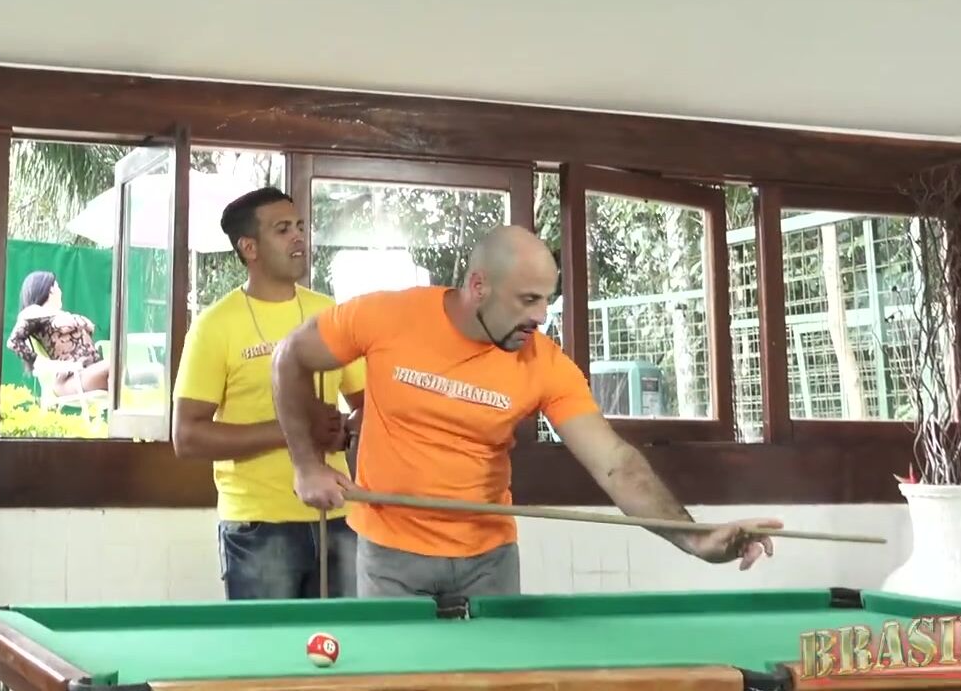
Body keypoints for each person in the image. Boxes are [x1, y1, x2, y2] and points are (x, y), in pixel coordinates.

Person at [271, 224, 779, 602]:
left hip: (487, 563)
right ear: (478, 286)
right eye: (528, 299)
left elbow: (615, 464)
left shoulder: (546, 364)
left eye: (547, 301)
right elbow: (289, 358)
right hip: (389, 557)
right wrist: (306, 464)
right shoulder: (386, 316)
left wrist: (695, 538)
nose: (540, 316)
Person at [172, 187, 364, 599]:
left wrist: (346, 432)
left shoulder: (330, 314)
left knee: (347, 637)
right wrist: (294, 431)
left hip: (339, 513)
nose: (299, 237)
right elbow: (187, 436)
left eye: (300, 226)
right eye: (282, 230)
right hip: (259, 526)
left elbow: (371, 406)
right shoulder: (214, 325)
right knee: (270, 641)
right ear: (249, 247)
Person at [7, 271, 111, 396]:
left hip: (90, 373)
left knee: (125, 367)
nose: (61, 292)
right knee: (116, 365)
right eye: (58, 287)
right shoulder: (34, 312)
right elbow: (13, 342)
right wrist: (44, 363)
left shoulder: (57, 315)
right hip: (72, 379)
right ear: (51, 290)